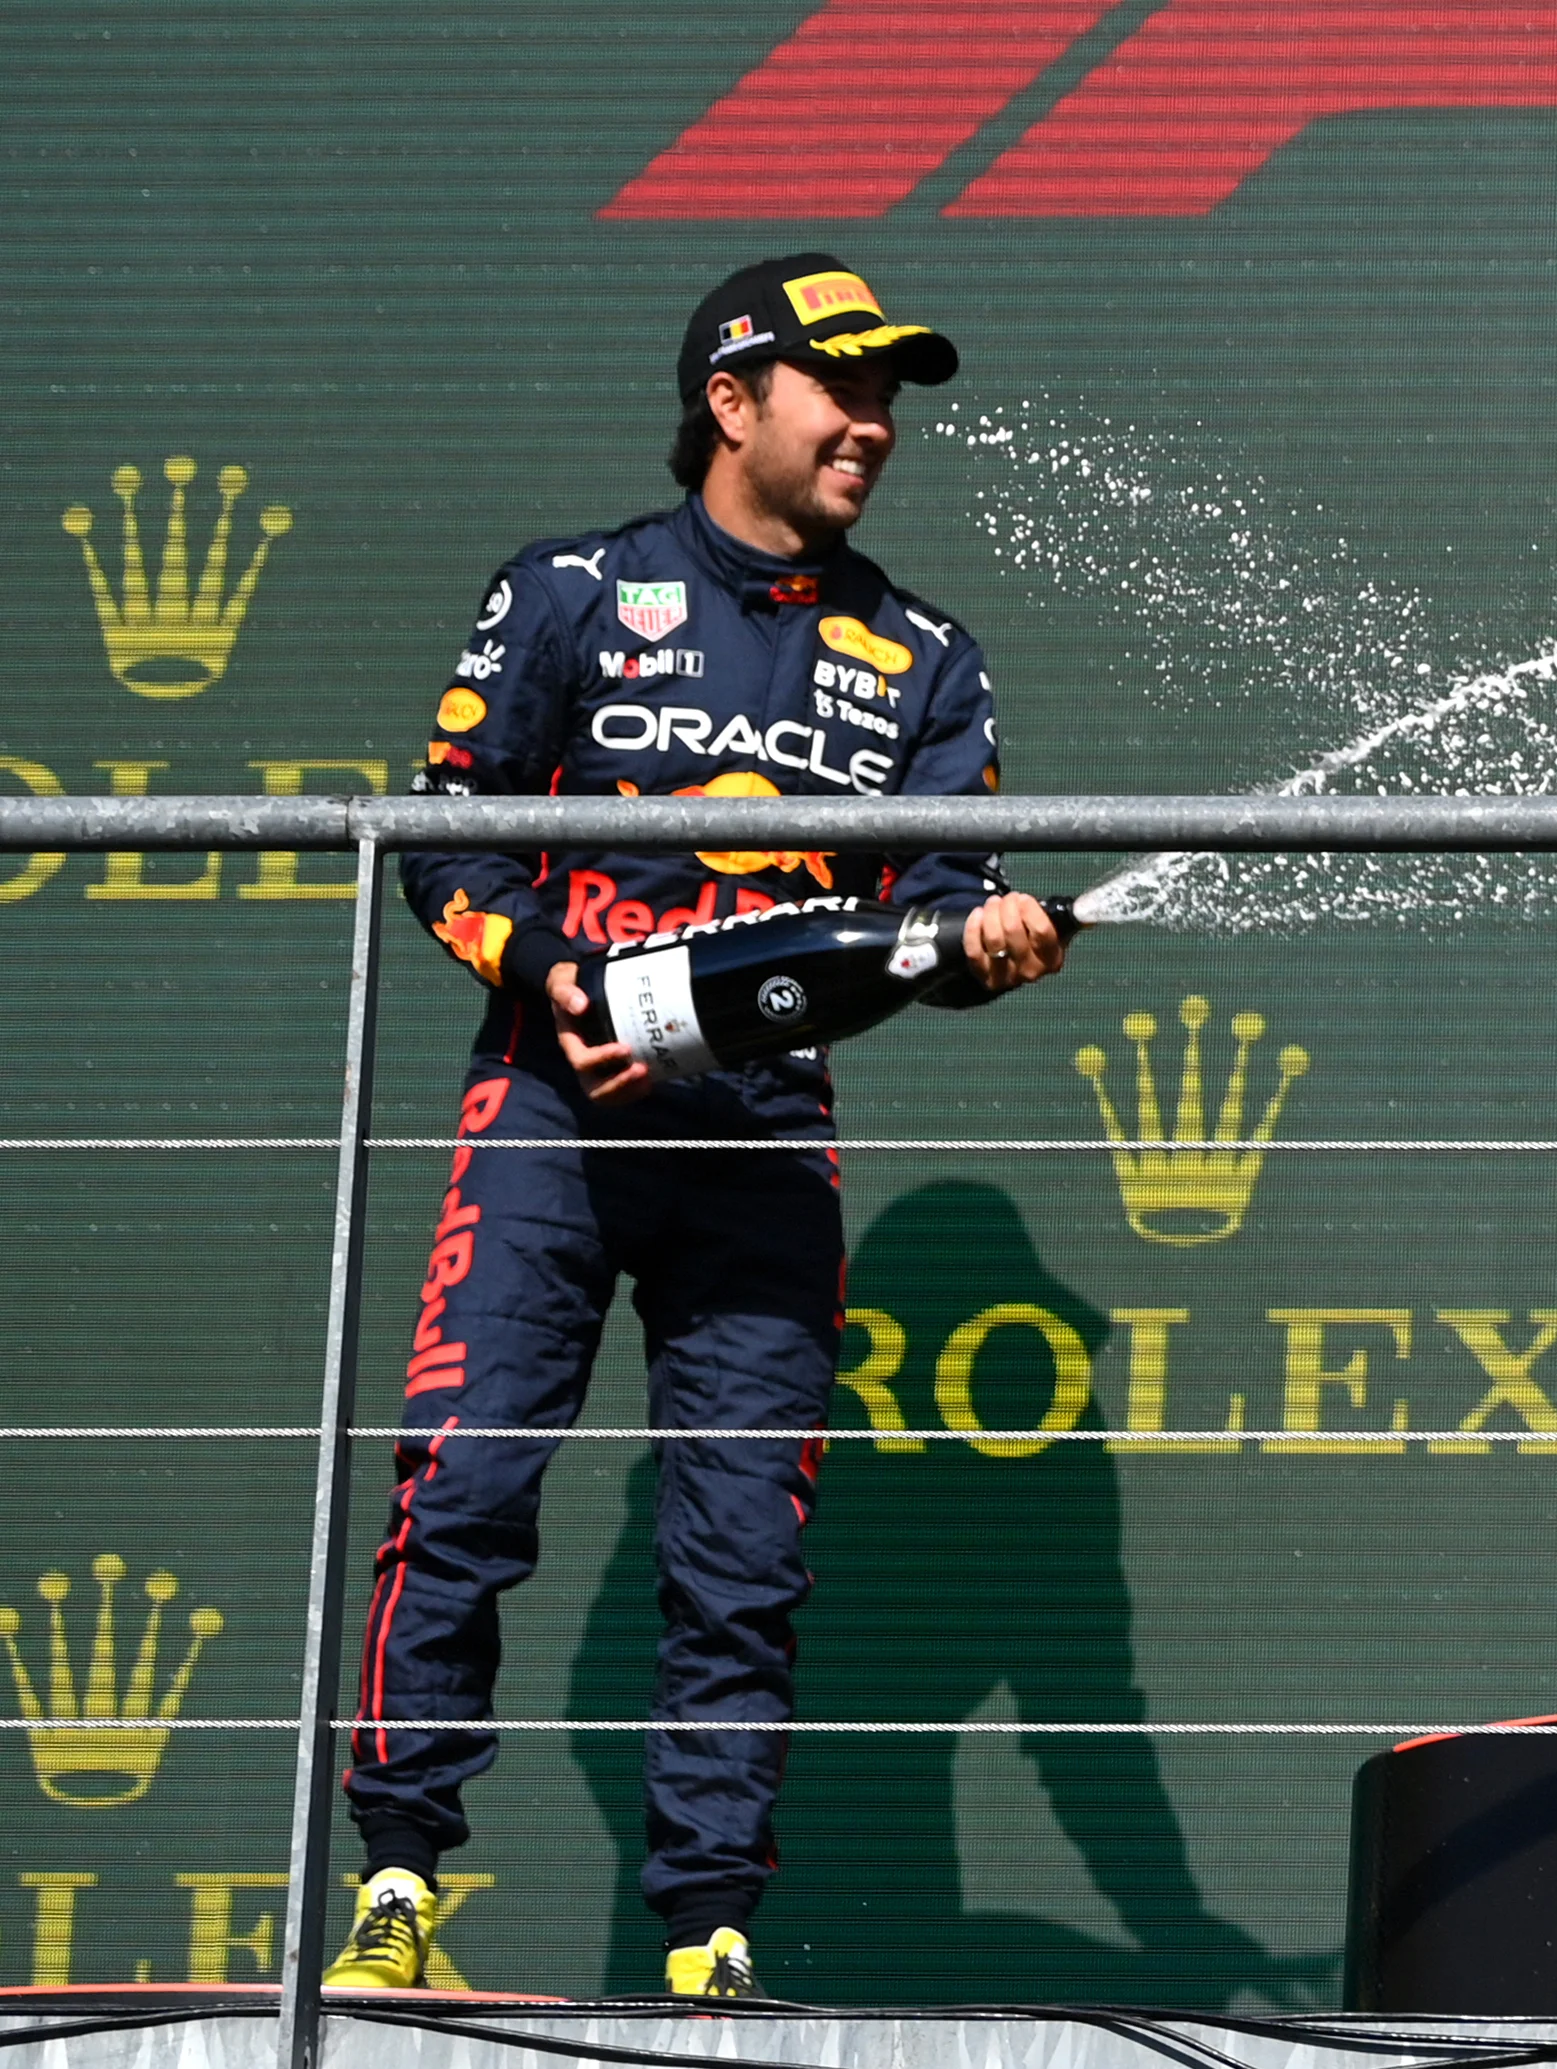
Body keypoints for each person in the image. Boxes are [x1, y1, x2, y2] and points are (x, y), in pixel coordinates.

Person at [322, 254, 1066, 2000]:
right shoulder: (574, 589)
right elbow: (444, 836)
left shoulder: (925, 654)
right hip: (548, 1118)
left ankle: (708, 1935)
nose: (874, 423)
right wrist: (550, 971)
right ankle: (401, 1884)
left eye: (890, 397)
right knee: (466, 1492)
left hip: (762, 1133)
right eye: (842, 387)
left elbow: (934, 917)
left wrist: (986, 946)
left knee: (740, 1545)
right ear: (733, 401)